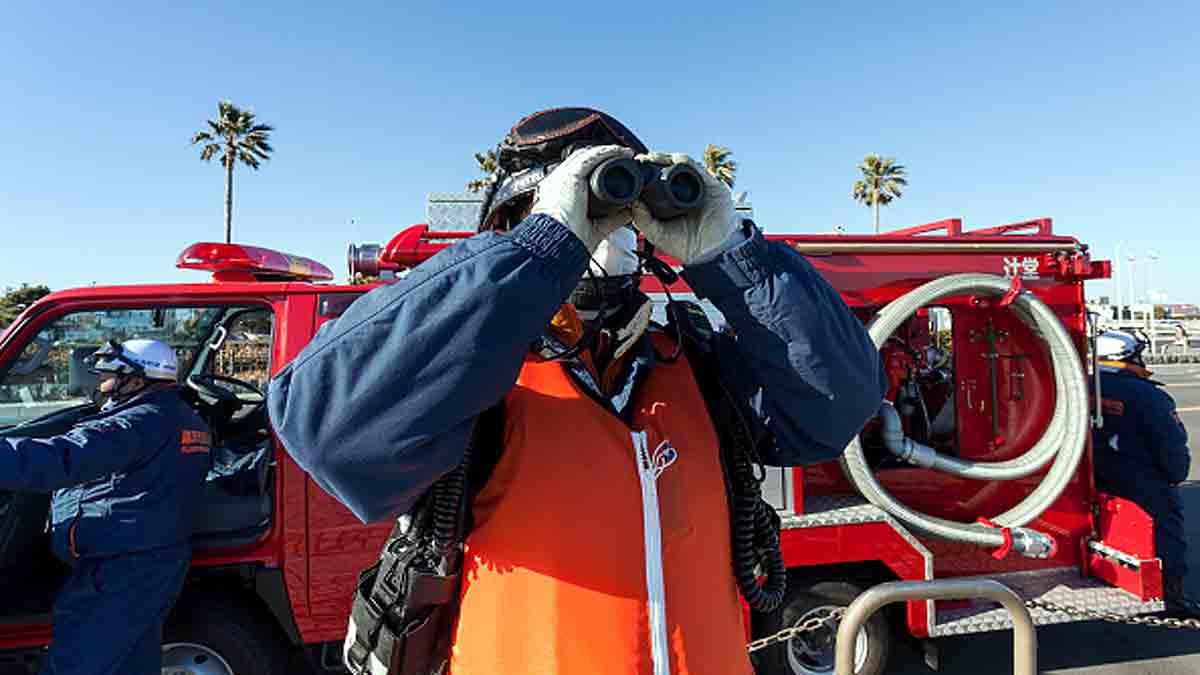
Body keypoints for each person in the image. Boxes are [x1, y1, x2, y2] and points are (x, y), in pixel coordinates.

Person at [268, 107, 887, 674]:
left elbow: (837, 405)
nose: (602, 239)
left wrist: (732, 257)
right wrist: (540, 251)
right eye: (587, 216)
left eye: (618, 222)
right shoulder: (467, 385)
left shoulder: (692, 364)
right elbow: (325, 426)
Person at [0, 339, 211, 674]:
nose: (101, 382)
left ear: (137, 379)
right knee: (131, 662)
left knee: (74, 665)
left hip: (120, 567)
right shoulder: (183, 418)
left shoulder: (137, 422)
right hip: (149, 558)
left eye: (108, 375)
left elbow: (62, 459)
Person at [1094, 330, 1200, 618]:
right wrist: (1175, 475)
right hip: (1142, 479)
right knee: (1164, 531)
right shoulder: (1149, 395)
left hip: (1095, 476)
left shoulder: (1081, 387)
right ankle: (1172, 595)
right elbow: (1171, 446)